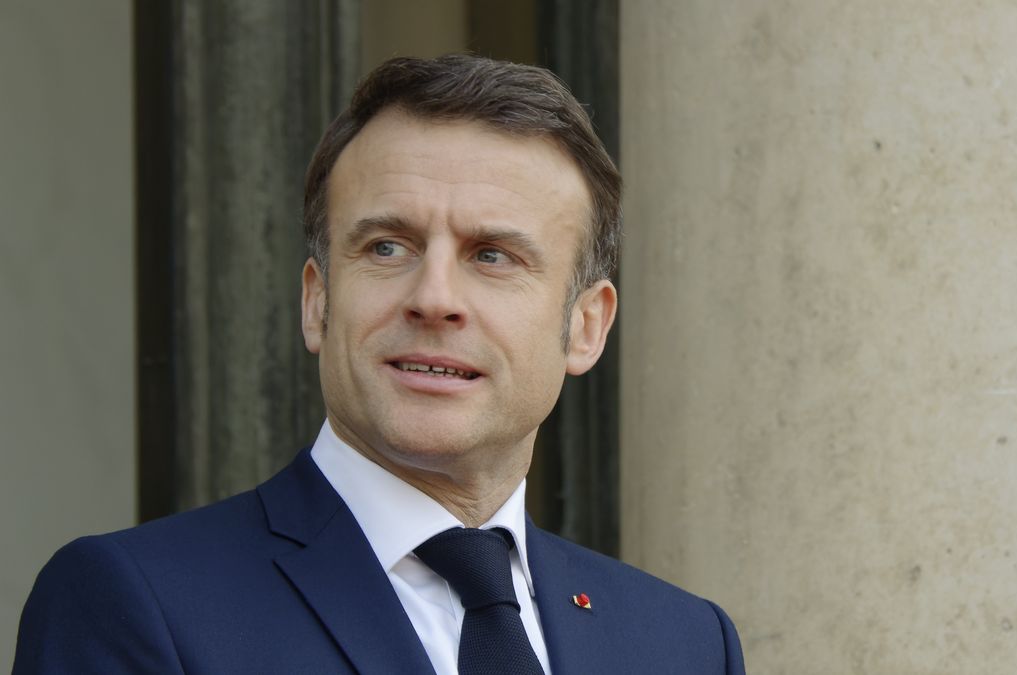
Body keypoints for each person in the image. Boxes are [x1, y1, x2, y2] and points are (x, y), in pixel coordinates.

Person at [14, 55, 744, 674]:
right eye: (387, 247)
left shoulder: (685, 644)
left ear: (586, 326)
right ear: (317, 301)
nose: (434, 298)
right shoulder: (133, 601)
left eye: (493, 256)